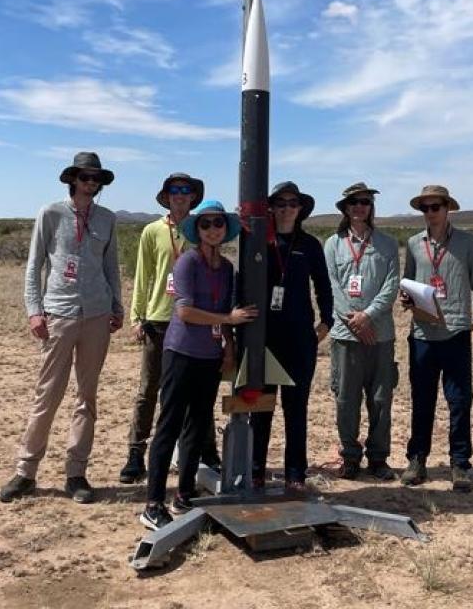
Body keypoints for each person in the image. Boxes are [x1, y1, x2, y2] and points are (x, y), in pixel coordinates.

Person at [0, 152, 125, 505]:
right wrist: (34, 311)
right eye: (84, 177)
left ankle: (76, 473)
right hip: (58, 314)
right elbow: (34, 265)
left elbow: (110, 266)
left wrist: (117, 304)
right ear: (73, 179)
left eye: (95, 178)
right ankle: (25, 471)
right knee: (48, 394)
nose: (90, 183)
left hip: (97, 315)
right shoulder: (50, 214)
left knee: (86, 397)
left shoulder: (107, 219)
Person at [140, 200, 258, 530]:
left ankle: (184, 493)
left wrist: (230, 347)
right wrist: (226, 319)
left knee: (196, 424)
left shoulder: (227, 269)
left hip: (209, 356)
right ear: (197, 230)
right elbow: (184, 312)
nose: (212, 229)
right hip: (181, 353)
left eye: (218, 223)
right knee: (170, 425)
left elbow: (229, 313)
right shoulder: (187, 263)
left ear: (225, 227)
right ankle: (152, 502)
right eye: (205, 224)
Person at [120, 173, 221, 484]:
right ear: (166, 196)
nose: (179, 195)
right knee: (149, 388)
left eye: (186, 190)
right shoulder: (152, 231)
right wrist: (138, 317)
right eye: (174, 190)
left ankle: (206, 451)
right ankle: (136, 452)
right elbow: (143, 275)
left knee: (197, 390)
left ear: (193, 197)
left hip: (194, 319)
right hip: (159, 319)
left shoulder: (202, 228)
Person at [398, 185, 473, 492]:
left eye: (435, 207)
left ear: (447, 208)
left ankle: (460, 464)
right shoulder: (413, 244)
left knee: (460, 401)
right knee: (422, 400)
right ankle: (417, 460)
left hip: (456, 332)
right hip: (423, 334)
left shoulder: (467, 242)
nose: (430, 213)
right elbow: (408, 284)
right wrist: (407, 299)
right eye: (424, 208)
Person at [250, 181, 333, 491]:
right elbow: (243, 281)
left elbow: (324, 287)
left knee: (296, 409)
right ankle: (255, 470)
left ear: (300, 209)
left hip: (300, 339)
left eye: (292, 203)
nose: (286, 208)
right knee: (262, 407)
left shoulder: (310, 245)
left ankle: (295, 475)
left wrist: (326, 322)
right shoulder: (258, 242)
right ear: (271, 207)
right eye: (280, 203)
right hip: (264, 338)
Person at [323, 182, 400, 481]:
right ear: (345, 208)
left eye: (364, 202)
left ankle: (378, 458)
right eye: (353, 202)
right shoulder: (333, 244)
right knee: (346, 398)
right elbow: (333, 287)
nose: (359, 207)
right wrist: (354, 322)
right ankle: (350, 457)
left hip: (380, 335)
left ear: (371, 207)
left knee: (381, 399)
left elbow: (391, 285)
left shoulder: (387, 243)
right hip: (345, 336)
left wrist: (368, 316)